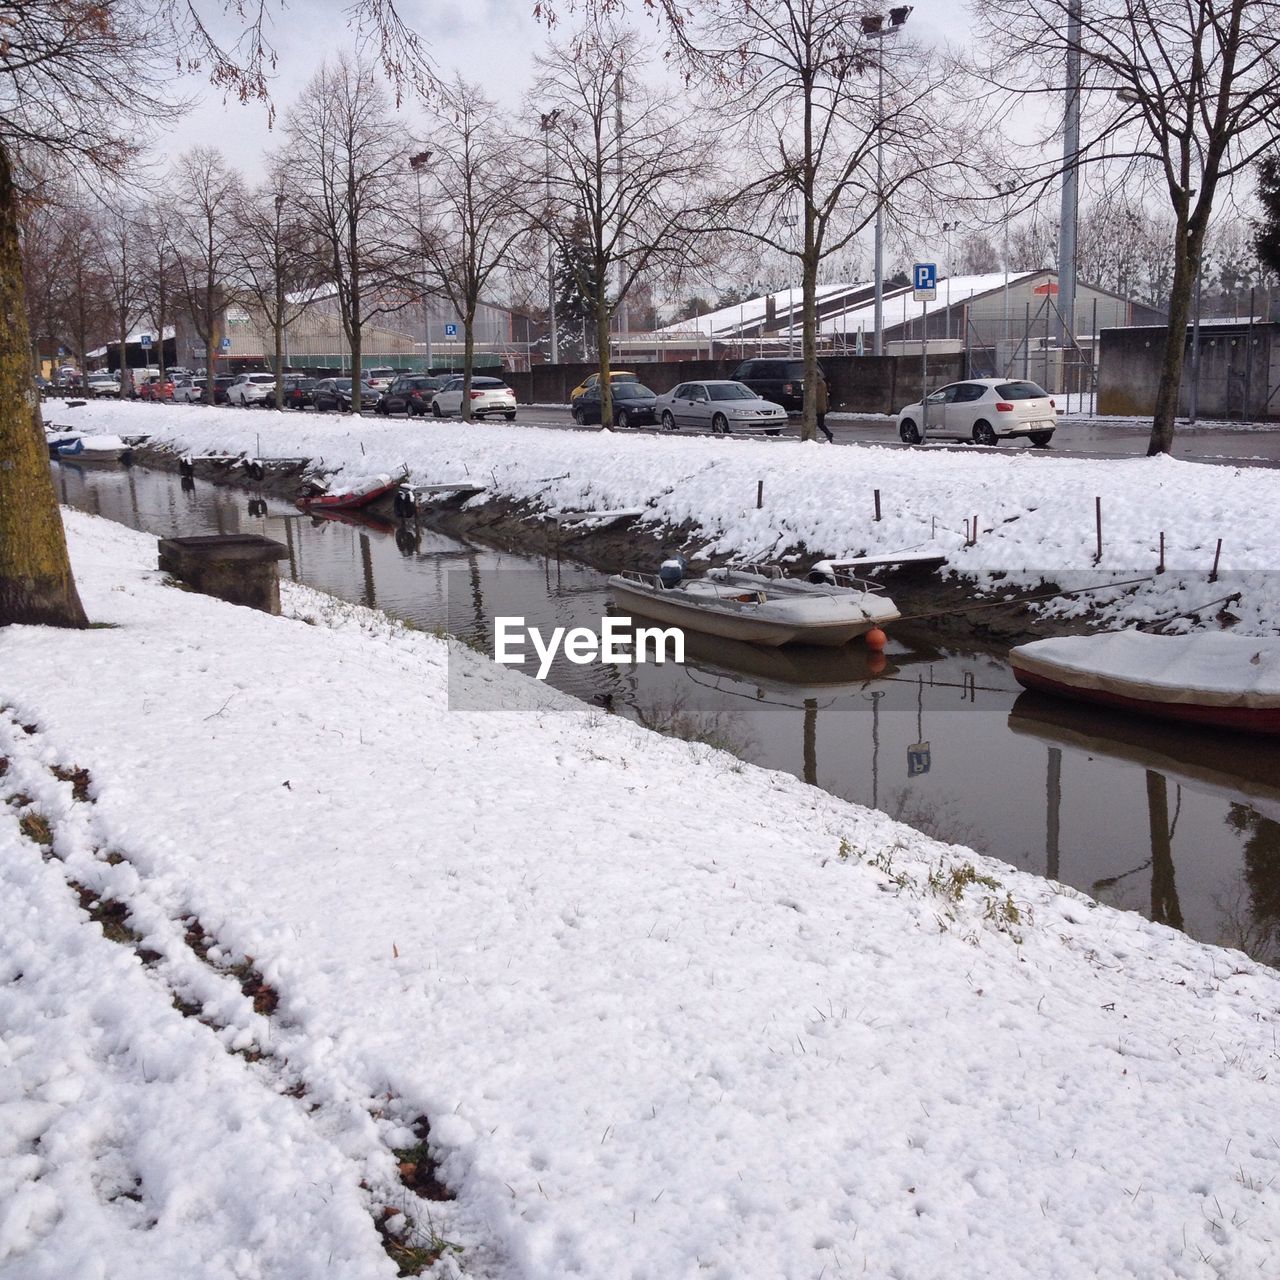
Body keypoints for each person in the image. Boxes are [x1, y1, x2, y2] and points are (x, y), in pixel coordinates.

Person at [814, 371, 833, 442]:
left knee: (818, 423)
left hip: (816, 407)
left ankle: (828, 433)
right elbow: (825, 395)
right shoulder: (822, 383)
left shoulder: (814, 384)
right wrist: (827, 405)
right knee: (820, 423)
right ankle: (828, 433)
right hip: (822, 406)